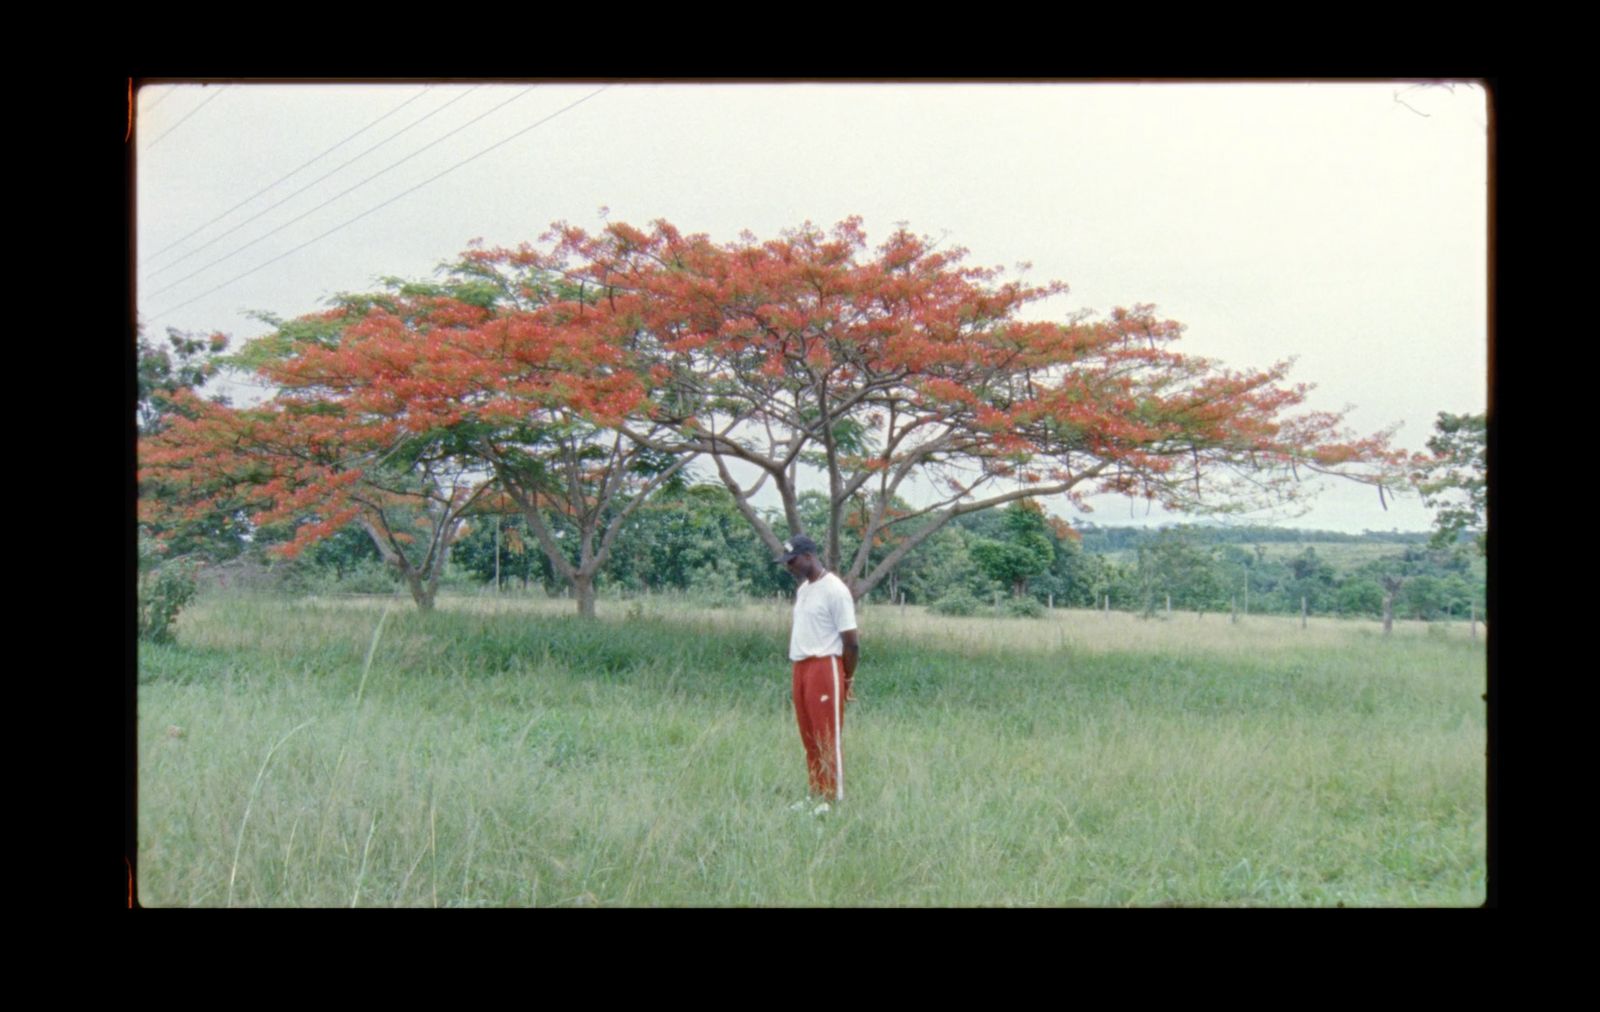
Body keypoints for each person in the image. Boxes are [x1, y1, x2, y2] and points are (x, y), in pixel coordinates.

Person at [777, 535, 859, 815]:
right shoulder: (804, 589)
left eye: (793, 560)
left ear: (809, 557)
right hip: (800, 666)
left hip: (825, 666)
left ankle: (832, 798)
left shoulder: (835, 590)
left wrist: (847, 678)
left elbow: (852, 642)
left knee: (826, 734)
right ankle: (816, 792)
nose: (789, 566)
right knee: (808, 734)